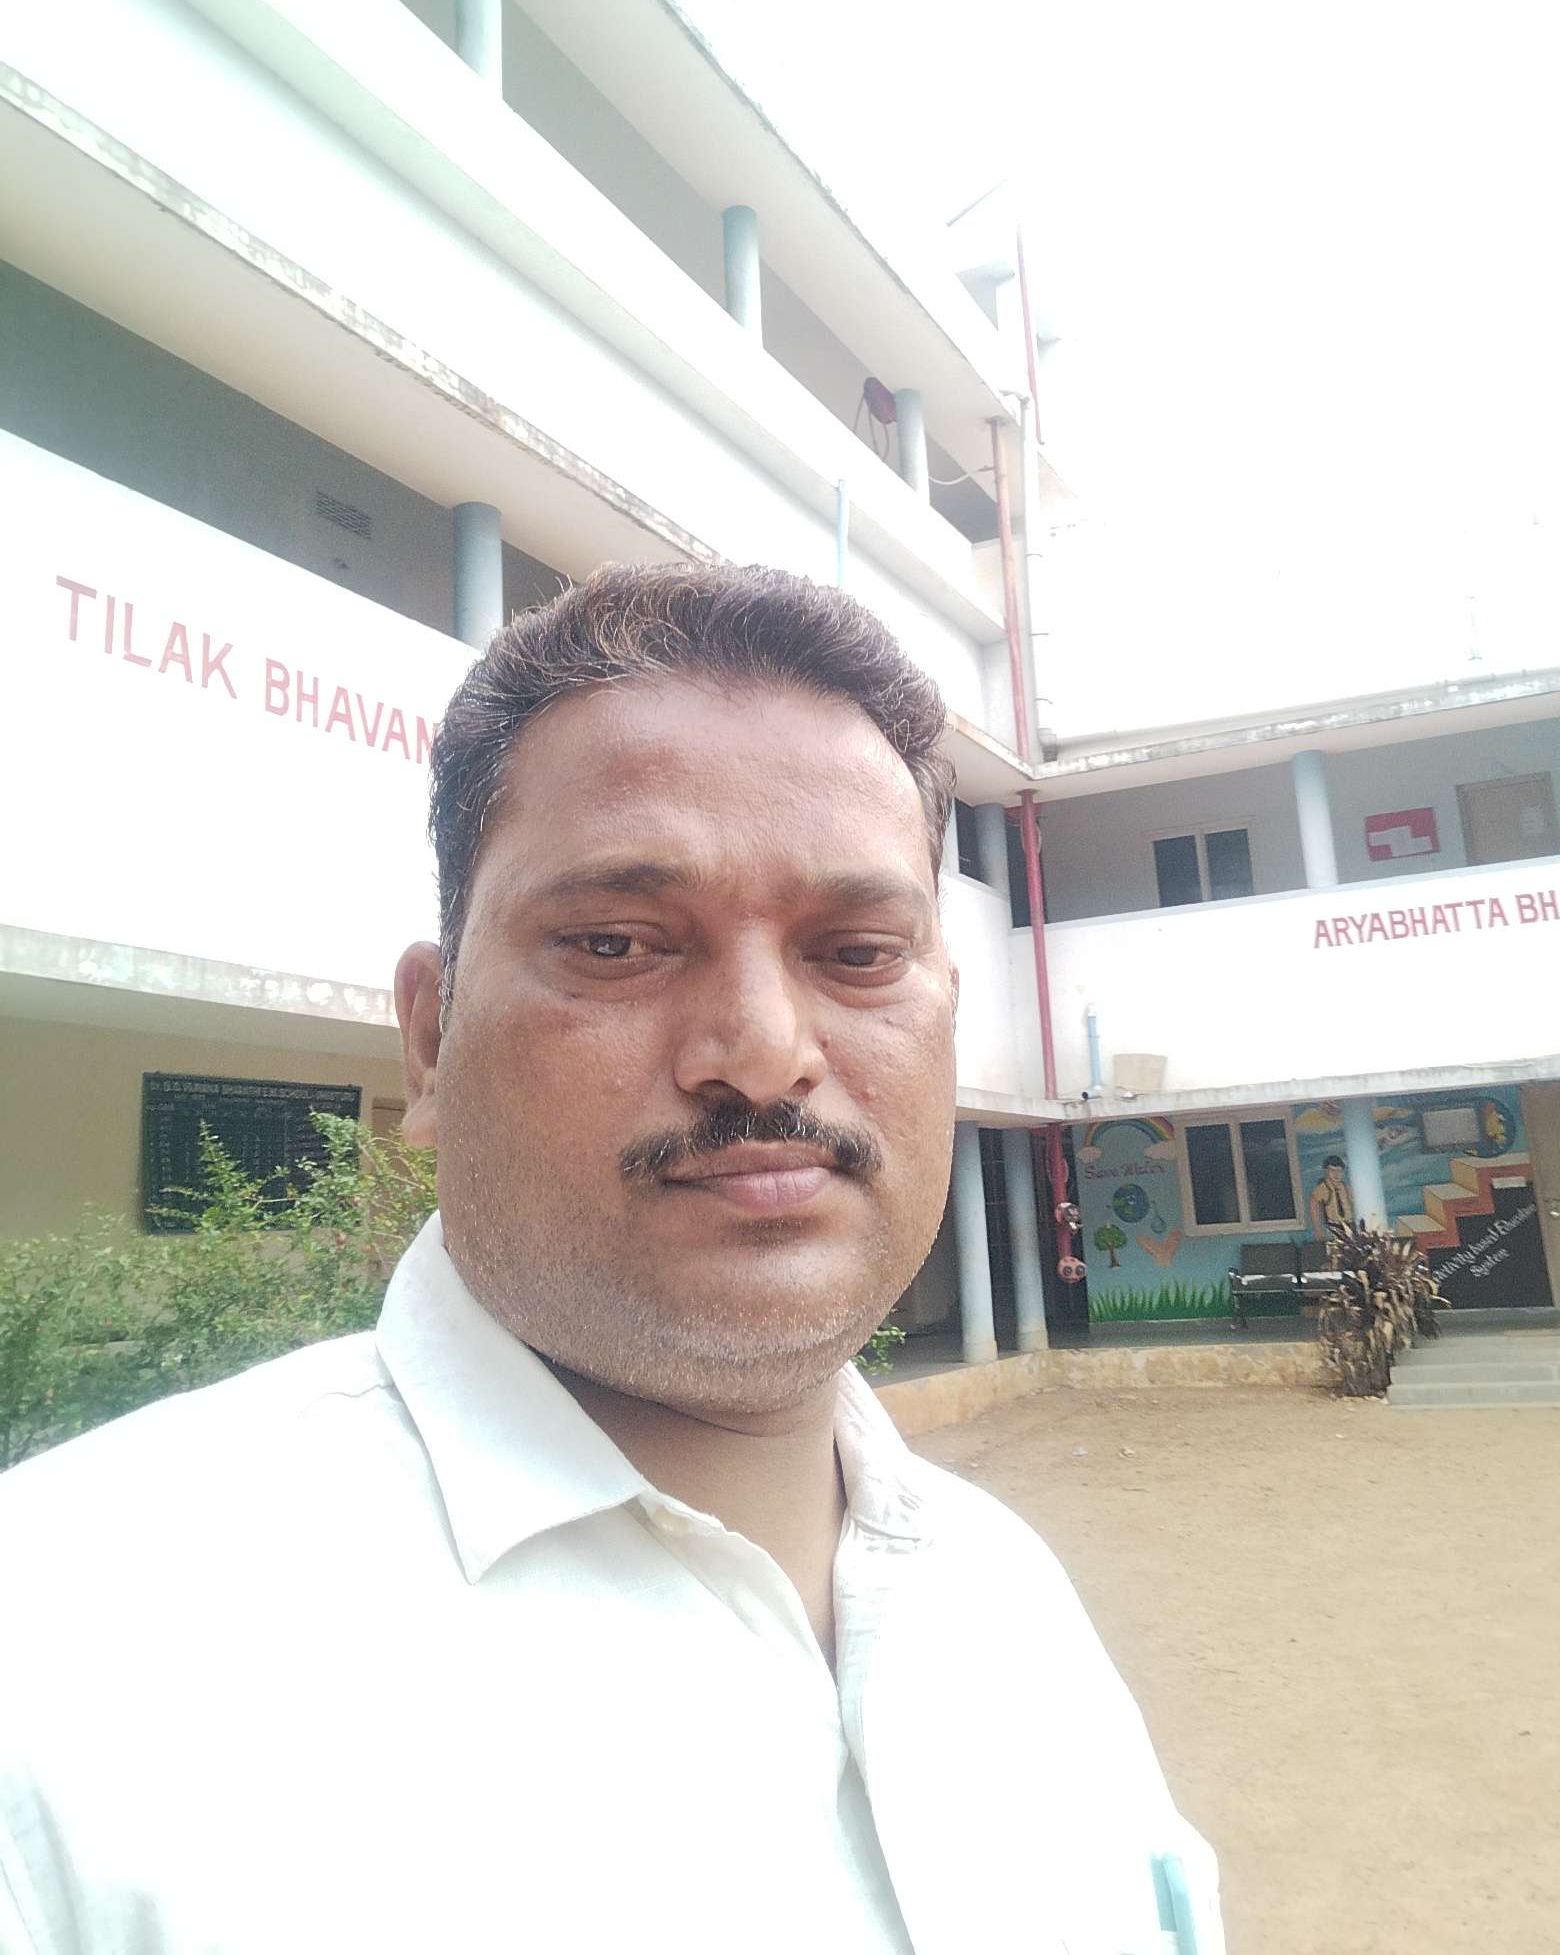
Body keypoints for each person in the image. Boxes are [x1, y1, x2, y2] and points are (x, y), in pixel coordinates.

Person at [0, 563, 1223, 1954]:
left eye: (858, 952)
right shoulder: (62, 1663)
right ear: (430, 1040)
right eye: (615, 943)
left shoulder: (1006, 1602)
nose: (762, 1051)